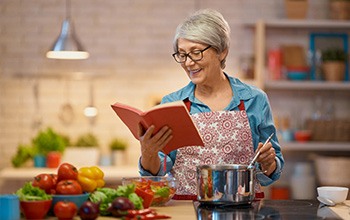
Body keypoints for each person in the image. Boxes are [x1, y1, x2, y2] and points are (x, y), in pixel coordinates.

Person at [138, 8, 284, 198]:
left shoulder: (254, 100)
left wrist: (268, 163)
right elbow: (158, 171)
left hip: (241, 208)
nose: (188, 63)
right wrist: (148, 153)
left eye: (196, 52)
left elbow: (272, 170)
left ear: (222, 52)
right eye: (182, 54)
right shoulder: (173, 103)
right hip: (187, 210)